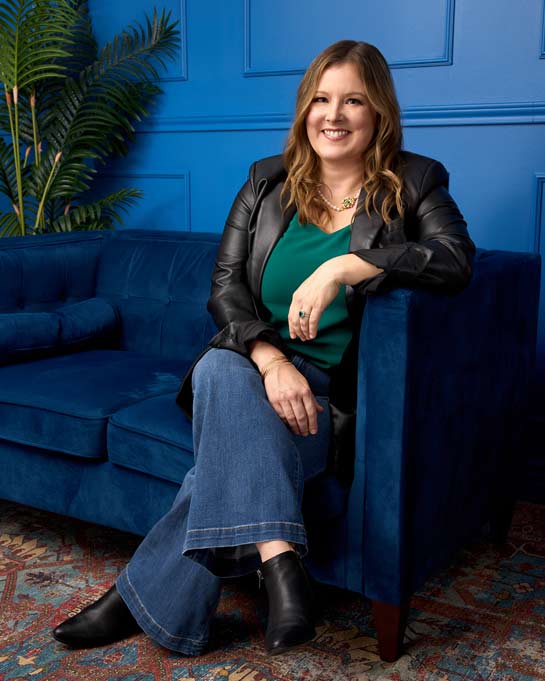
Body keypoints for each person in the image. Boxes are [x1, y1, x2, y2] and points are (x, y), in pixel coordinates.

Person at [52, 39, 475, 656]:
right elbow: (225, 291)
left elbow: (457, 261)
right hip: (252, 376)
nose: (334, 115)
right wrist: (273, 361)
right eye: (321, 100)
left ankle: (134, 598)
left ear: (378, 112)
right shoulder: (266, 182)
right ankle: (281, 562)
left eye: (353, 100)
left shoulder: (414, 183)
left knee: (215, 460)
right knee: (224, 366)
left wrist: (349, 266)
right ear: (305, 110)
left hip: (323, 407)